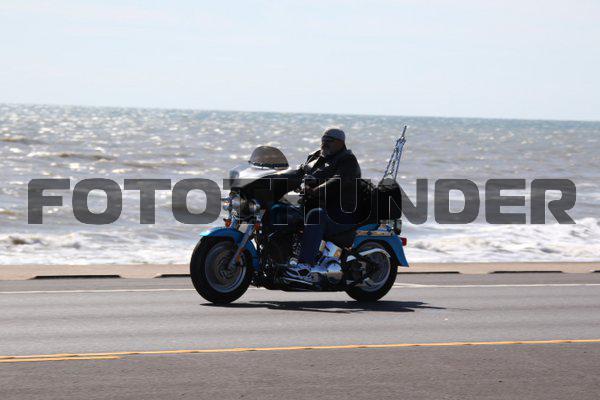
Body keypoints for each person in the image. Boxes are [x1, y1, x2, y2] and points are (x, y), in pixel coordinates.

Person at [285, 127, 362, 280]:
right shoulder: (315, 156)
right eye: (323, 139)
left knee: (316, 216)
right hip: (312, 205)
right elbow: (298, 172)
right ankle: (281, 260)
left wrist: (316, 190)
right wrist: (275, 180)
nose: (324, 143)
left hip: (340, 213)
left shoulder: (348, 160)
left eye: (329, 140)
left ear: (340, 143)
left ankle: (305, 266)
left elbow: (338, 180)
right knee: (281, 210)